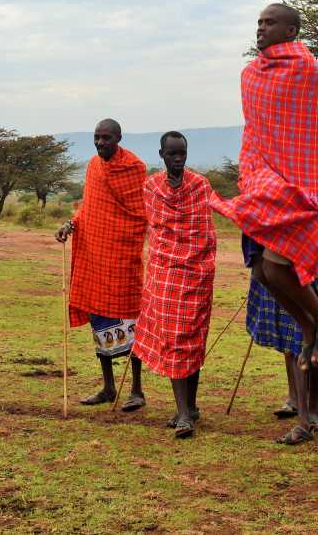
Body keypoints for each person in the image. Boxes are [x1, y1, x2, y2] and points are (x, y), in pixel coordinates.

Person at [210, 3, 318, 383]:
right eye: (259, 23)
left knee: (276, 268)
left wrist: (304, 175)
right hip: (268, 182)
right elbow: (259, 129)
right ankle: (309, 327)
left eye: (270, 23)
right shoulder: (252, 74)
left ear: (291, 31)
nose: (261, 29)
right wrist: (258, 172)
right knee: (265, 273)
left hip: (302, 186)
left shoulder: (306, 70)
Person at [56, 119, 148, 411]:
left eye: (105, 138)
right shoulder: (93, 166)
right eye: (96, 138)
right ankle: (108, 386)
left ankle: (136, 390)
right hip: (94, 255)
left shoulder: (134, 167)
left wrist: (120, 237)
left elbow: (139, 213)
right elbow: (89, 207)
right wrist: (71, 224)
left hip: (122, 257)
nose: (100, 143)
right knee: (98, 319)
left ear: (118, 138)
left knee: (132, 320)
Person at [133, 132, 216, 438]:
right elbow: (151, 227)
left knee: (191, 340)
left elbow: (205, 234)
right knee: (176, 340)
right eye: (172, 154)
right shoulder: (152, 186)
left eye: (182, 153)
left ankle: (190, 408)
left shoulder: (200, 185)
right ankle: (183, 414)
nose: (178, 158)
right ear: (161, 155)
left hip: (196, 274)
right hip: (165, 273)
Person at [245, 216, 318, 445]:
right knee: (291, 336)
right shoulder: (280, 200)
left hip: (309, 268)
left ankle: (311, 410)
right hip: (283, 264)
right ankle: (296, 400)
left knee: (314, 335)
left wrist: (298, 267)